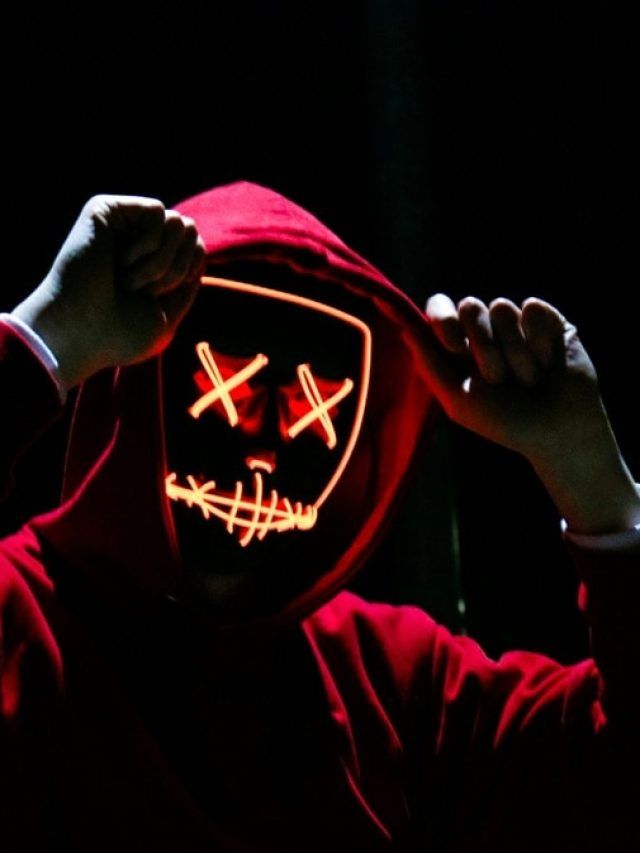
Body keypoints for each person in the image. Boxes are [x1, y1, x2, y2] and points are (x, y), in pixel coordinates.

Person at [0, 182, 638, 851]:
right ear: (139, 375)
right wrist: (45, 336)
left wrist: (589, 470)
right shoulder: (20, 620)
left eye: (316, 408)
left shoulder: (393, 680)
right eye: (228, 392)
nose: (263, 455)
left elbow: (619, 780)